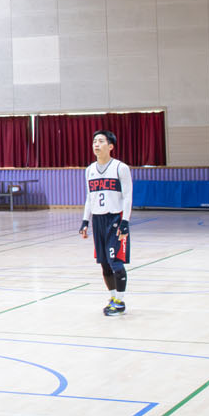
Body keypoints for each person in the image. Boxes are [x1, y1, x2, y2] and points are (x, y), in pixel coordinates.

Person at [81, 129, 133, 317]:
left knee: (116, 262)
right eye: (94, 141)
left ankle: (120, 301)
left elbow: (127, 196)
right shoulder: (89, 170)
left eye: (101, 141)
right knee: (104, 264)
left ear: (110, 146)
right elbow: (90, 197)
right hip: (98, 220)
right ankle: (113, 297)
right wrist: (85, 221)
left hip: (115, 219)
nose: (96, 144)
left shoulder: (120, 168)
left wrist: (125, 221)